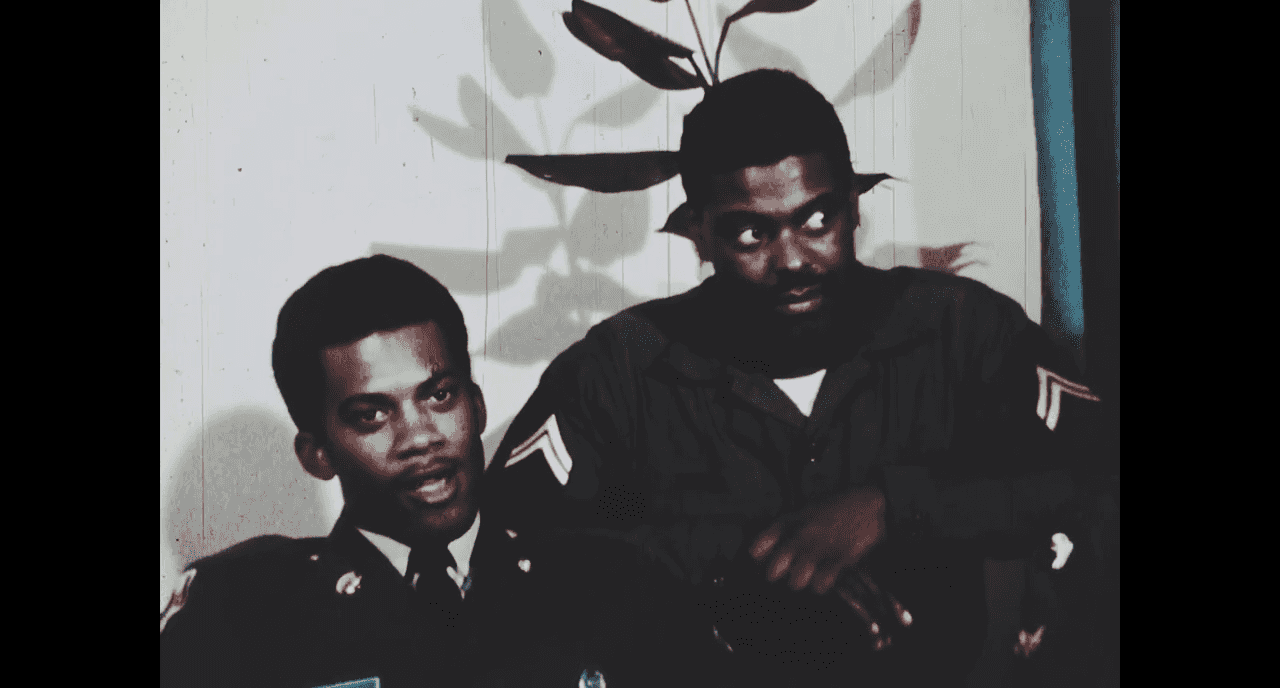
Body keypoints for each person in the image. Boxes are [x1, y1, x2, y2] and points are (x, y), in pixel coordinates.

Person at [484, 70, 1117, 687]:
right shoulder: (622, 366)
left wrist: (896, 507)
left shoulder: (961, 328)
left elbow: (1097, 470)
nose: (791, 259)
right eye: (751, 231)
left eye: (817, 219)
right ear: (698, 232)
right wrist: (749, 554)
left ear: (854, 206)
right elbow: (512, 540)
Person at [160, 255, 725, 688]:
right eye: (372, 414)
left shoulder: (612, 580)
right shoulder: (242, 614)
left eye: (438, 395)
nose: (421, 437)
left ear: (476, 407)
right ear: (317, 454)